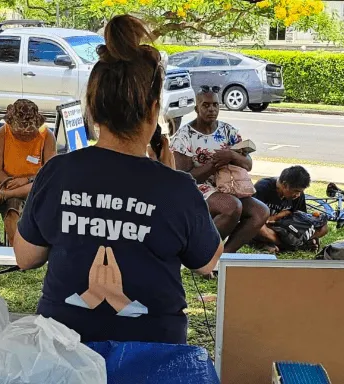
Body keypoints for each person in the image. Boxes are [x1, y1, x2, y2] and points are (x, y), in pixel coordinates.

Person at [13, 15, 223, 345]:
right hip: (153, 353)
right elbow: (207, 262)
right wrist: (169, 178)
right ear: (155, 112)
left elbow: (26, 258)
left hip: (63, 351)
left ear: (93, 110)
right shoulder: (176, 188)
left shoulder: (56, 172)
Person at [171, 87, 269, 253]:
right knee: (232, 206)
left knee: (260, 211)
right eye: (206, 105)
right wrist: (215, 163)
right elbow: (185, 178)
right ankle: (202, 253)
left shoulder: (228, 131)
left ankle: (224, 256)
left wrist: (231, 155)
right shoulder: (184, 136)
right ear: (196, 108)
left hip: (228, 185)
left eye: (215, 105)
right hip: (198, 189)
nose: (212, 109)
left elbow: (248, 164)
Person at [0, 99, 56, 245]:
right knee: (11, 210)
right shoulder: (1, 134)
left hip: (36, 185)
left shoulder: (47, 135)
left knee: (39, 186)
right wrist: (8, 181)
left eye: (29, 133)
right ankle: (17, 249)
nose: (25, 136)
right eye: (20, 133)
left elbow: (50, 172)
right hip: (10, 184)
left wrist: (27, 179)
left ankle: (3, 195)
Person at [253, 166, 328, 252]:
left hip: (287, 230)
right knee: (259, 228)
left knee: (323, 227)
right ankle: (295, 246)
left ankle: (294, 243)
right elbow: (253, 218)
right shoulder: (263, 187)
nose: (298, 195)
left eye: (300, 191)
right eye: (296, 191)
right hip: (267, 227)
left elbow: (301, 217)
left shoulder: (298, 196)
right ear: (285, 185)